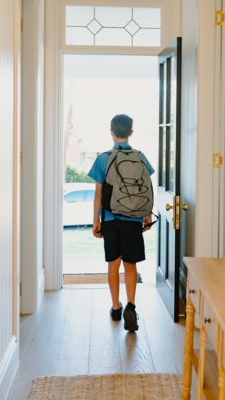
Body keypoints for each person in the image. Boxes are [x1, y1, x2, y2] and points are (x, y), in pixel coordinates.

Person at [88, 114, 155, 331]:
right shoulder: (140, 156)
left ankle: (115, 307)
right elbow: (147, 187)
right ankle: (131, 306)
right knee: (130, 264)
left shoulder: (102, 158)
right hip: (133, 219)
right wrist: (146, 214)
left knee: (113, 264)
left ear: (111, 132)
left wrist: (96, 220)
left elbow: (98, 194)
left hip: (110, 219)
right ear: (131, 132)